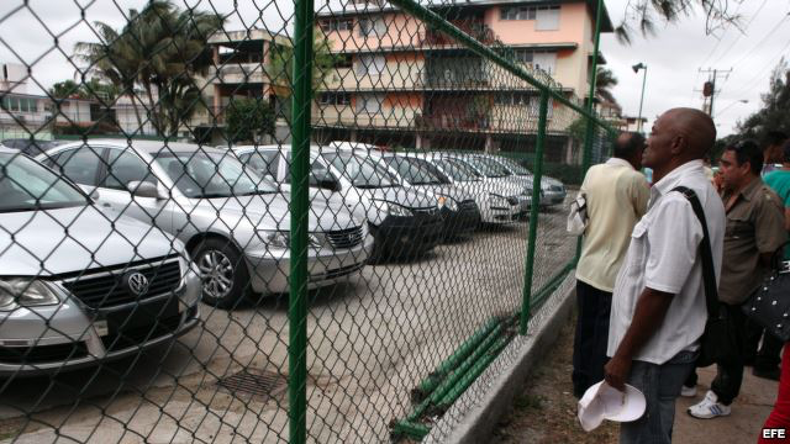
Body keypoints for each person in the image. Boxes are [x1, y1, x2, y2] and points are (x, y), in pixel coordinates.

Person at [604, 108, 725, 443]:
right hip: (658, 349)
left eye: (654, 131)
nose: (646, 139)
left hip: (652, 354)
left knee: (644, 437)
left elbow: (660, 292)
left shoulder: (678, 202)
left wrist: (623, 355)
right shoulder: (695, 191)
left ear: (677, 143)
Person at [688, 140, 787, 419]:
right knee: (713, 340)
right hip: (716, 285)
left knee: (730, 349)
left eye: (728, 164)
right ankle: (690, 381)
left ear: (746, 167)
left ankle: (722, 397)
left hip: (739, 289)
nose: (723, 168)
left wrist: (751, 281)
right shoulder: (728, 193)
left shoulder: (763, 200)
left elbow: (771, 250)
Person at [572, 132, 650, 398]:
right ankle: (596, 389)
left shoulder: (593, 171)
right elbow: (648, 217)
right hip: (614, 273)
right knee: (605, 336)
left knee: (584, 328)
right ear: (637, 153)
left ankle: (579, 382)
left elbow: (581, 210)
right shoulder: (636, 180)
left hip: (587, 266)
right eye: (644, 151)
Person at [746, 138, 790, 380]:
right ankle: (766, 361)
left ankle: (748, 352)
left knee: (761, 301)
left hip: (764, 249)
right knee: (782, 309)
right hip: (786, 254)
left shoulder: (770, 176)